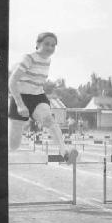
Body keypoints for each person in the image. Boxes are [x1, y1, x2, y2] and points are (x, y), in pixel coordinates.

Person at [8, 32, 78, 164]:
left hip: (38, 97)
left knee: (49, 120)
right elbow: (12, 81)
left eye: (53, 45)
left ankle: (65, 153)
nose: (50, 48)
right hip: (21, 97)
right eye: (47, 44)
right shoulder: (29, 58)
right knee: (13, 145)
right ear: (38, 44)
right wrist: (20, 104)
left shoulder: (48, 60)